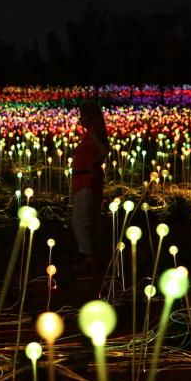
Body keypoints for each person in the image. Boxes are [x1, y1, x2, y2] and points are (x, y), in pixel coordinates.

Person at [71, 101, 109, 269]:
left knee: (81, 219)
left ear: (91, 117)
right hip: (85, 180)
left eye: (83, 115)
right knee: (90, 218)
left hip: (86, 181)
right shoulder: (91, 134)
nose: (80, 119)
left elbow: (104, 150)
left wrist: (93, 165)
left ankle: (90, 258)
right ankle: (94, 254)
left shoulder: (93, 134)